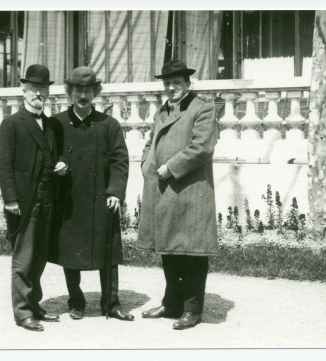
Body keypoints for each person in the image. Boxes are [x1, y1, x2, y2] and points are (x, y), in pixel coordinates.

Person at [137, 59, 219, 330]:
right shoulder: (162, 111)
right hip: (164, 190)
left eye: (177, 83)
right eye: (167, 83)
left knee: (193, 252)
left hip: (191, 192)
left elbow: (202, 147)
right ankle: (171, 303)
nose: (171, 87)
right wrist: (146, 163)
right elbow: (151, 141)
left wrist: (170, 167)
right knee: (169, 249)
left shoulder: (203, 108)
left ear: (188, 83)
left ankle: (192, 309)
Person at [49, 66, 134, 322]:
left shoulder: (109, 124)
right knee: (69, 252)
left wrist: (116, 192)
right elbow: (49, 155)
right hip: (70, 199)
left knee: (107, 252)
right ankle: (76, 300)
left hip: (101, 199)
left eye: (88, 90)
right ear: (70, 93)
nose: (83, 95)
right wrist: (58, 166)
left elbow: (121, 161)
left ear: (95, 92)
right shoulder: (57, 124)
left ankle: (112, 304)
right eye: (78, 90)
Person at [0, 64, 68, 332]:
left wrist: (62, 164)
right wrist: (11, 199)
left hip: (48, 197)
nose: (39, 93)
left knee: (39, 256)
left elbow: (57, 155)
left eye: (44, 89)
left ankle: (35, 305)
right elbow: (3, 166)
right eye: (34, 88)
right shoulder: (12, 124)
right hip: (24, 200)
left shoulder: (51, 124)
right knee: (24, 256)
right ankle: (23, 312)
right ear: (23, 90)